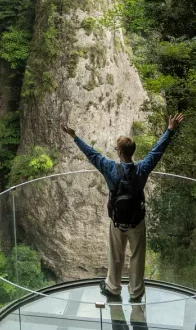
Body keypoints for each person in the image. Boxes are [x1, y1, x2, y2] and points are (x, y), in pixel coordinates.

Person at [62, 113, 185, 302]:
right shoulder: (142, 169)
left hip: (118, 223)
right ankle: (135, 292)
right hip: (137, 223)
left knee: (116, 254)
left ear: (119, 152)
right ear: (132, 152)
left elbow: (92, 154)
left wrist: (74, 136)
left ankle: (113, 287)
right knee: (137, 256)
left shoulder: (110, 168)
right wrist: (169, 130)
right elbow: (156, 151)